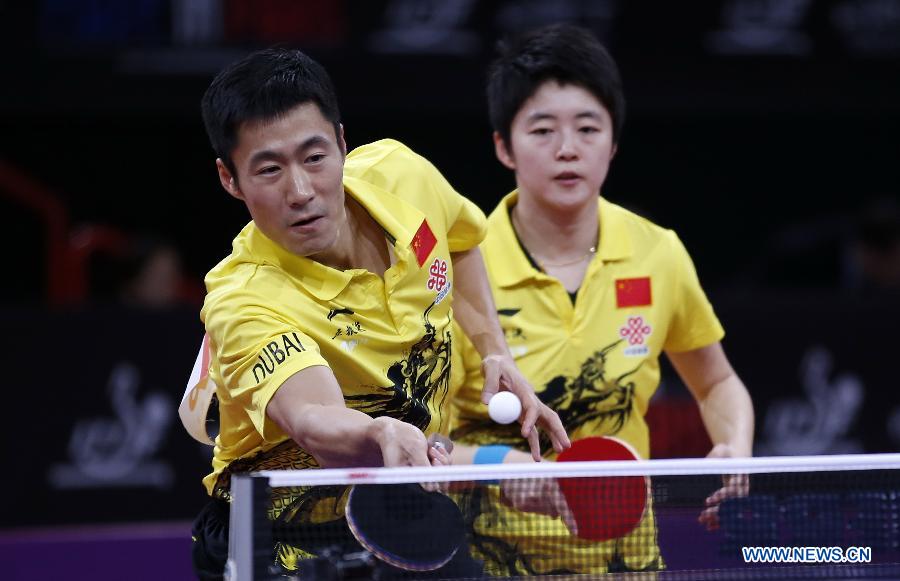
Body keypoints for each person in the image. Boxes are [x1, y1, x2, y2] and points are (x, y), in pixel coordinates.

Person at [189, 47, 569, 579]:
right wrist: (378, 433)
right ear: (230, 179)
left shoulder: (402, 175)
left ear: (343, 144)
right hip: (280, 535)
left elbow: (458, 242)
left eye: (315, 157)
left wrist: (493, 350)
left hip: (405, 502)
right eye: (269, 169)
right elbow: (312, 419)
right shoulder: (242, 298)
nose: (301, 191)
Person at [449, 23, 755, 575]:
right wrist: (501, 463)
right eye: (542, 130)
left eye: (588, 128)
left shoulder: (656, 253)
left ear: (612, 143)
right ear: (503, 146)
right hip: (488, 562)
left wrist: (734, 449)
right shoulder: (460, 268)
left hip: (626, 561)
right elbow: (422, 443)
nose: (568, 149)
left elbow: (716, 382)